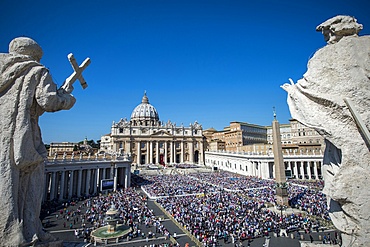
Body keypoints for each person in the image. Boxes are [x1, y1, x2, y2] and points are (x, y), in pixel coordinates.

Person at [0, 37, 77, 246]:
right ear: (35, 54)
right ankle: (28, 232)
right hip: (23, 138)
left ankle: (10, 235)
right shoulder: (35, 70)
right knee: (28, 185)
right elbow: (48, 101)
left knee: (6, 186)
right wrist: (67, 97)